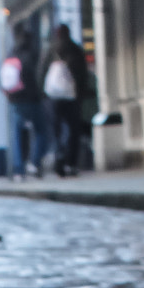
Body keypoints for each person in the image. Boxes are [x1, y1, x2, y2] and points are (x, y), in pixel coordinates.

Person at [3, 22, 50, 179]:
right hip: (32, 98)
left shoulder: (11, 54)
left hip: (15, 100)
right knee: (42, 130)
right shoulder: (31, 52)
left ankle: (18, 169)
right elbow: (35, 76)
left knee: (16, 134)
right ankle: (34, 162)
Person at [42, 22, 88, 176]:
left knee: (56, 130)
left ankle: (59, 160)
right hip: (71, 96)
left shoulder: (50, 50)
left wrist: (44, 95)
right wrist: (81, 94)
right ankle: (71, 163)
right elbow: (83, 74)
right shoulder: (75, 50)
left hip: (53, 97)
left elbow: (41, 72)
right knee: (73, 130)